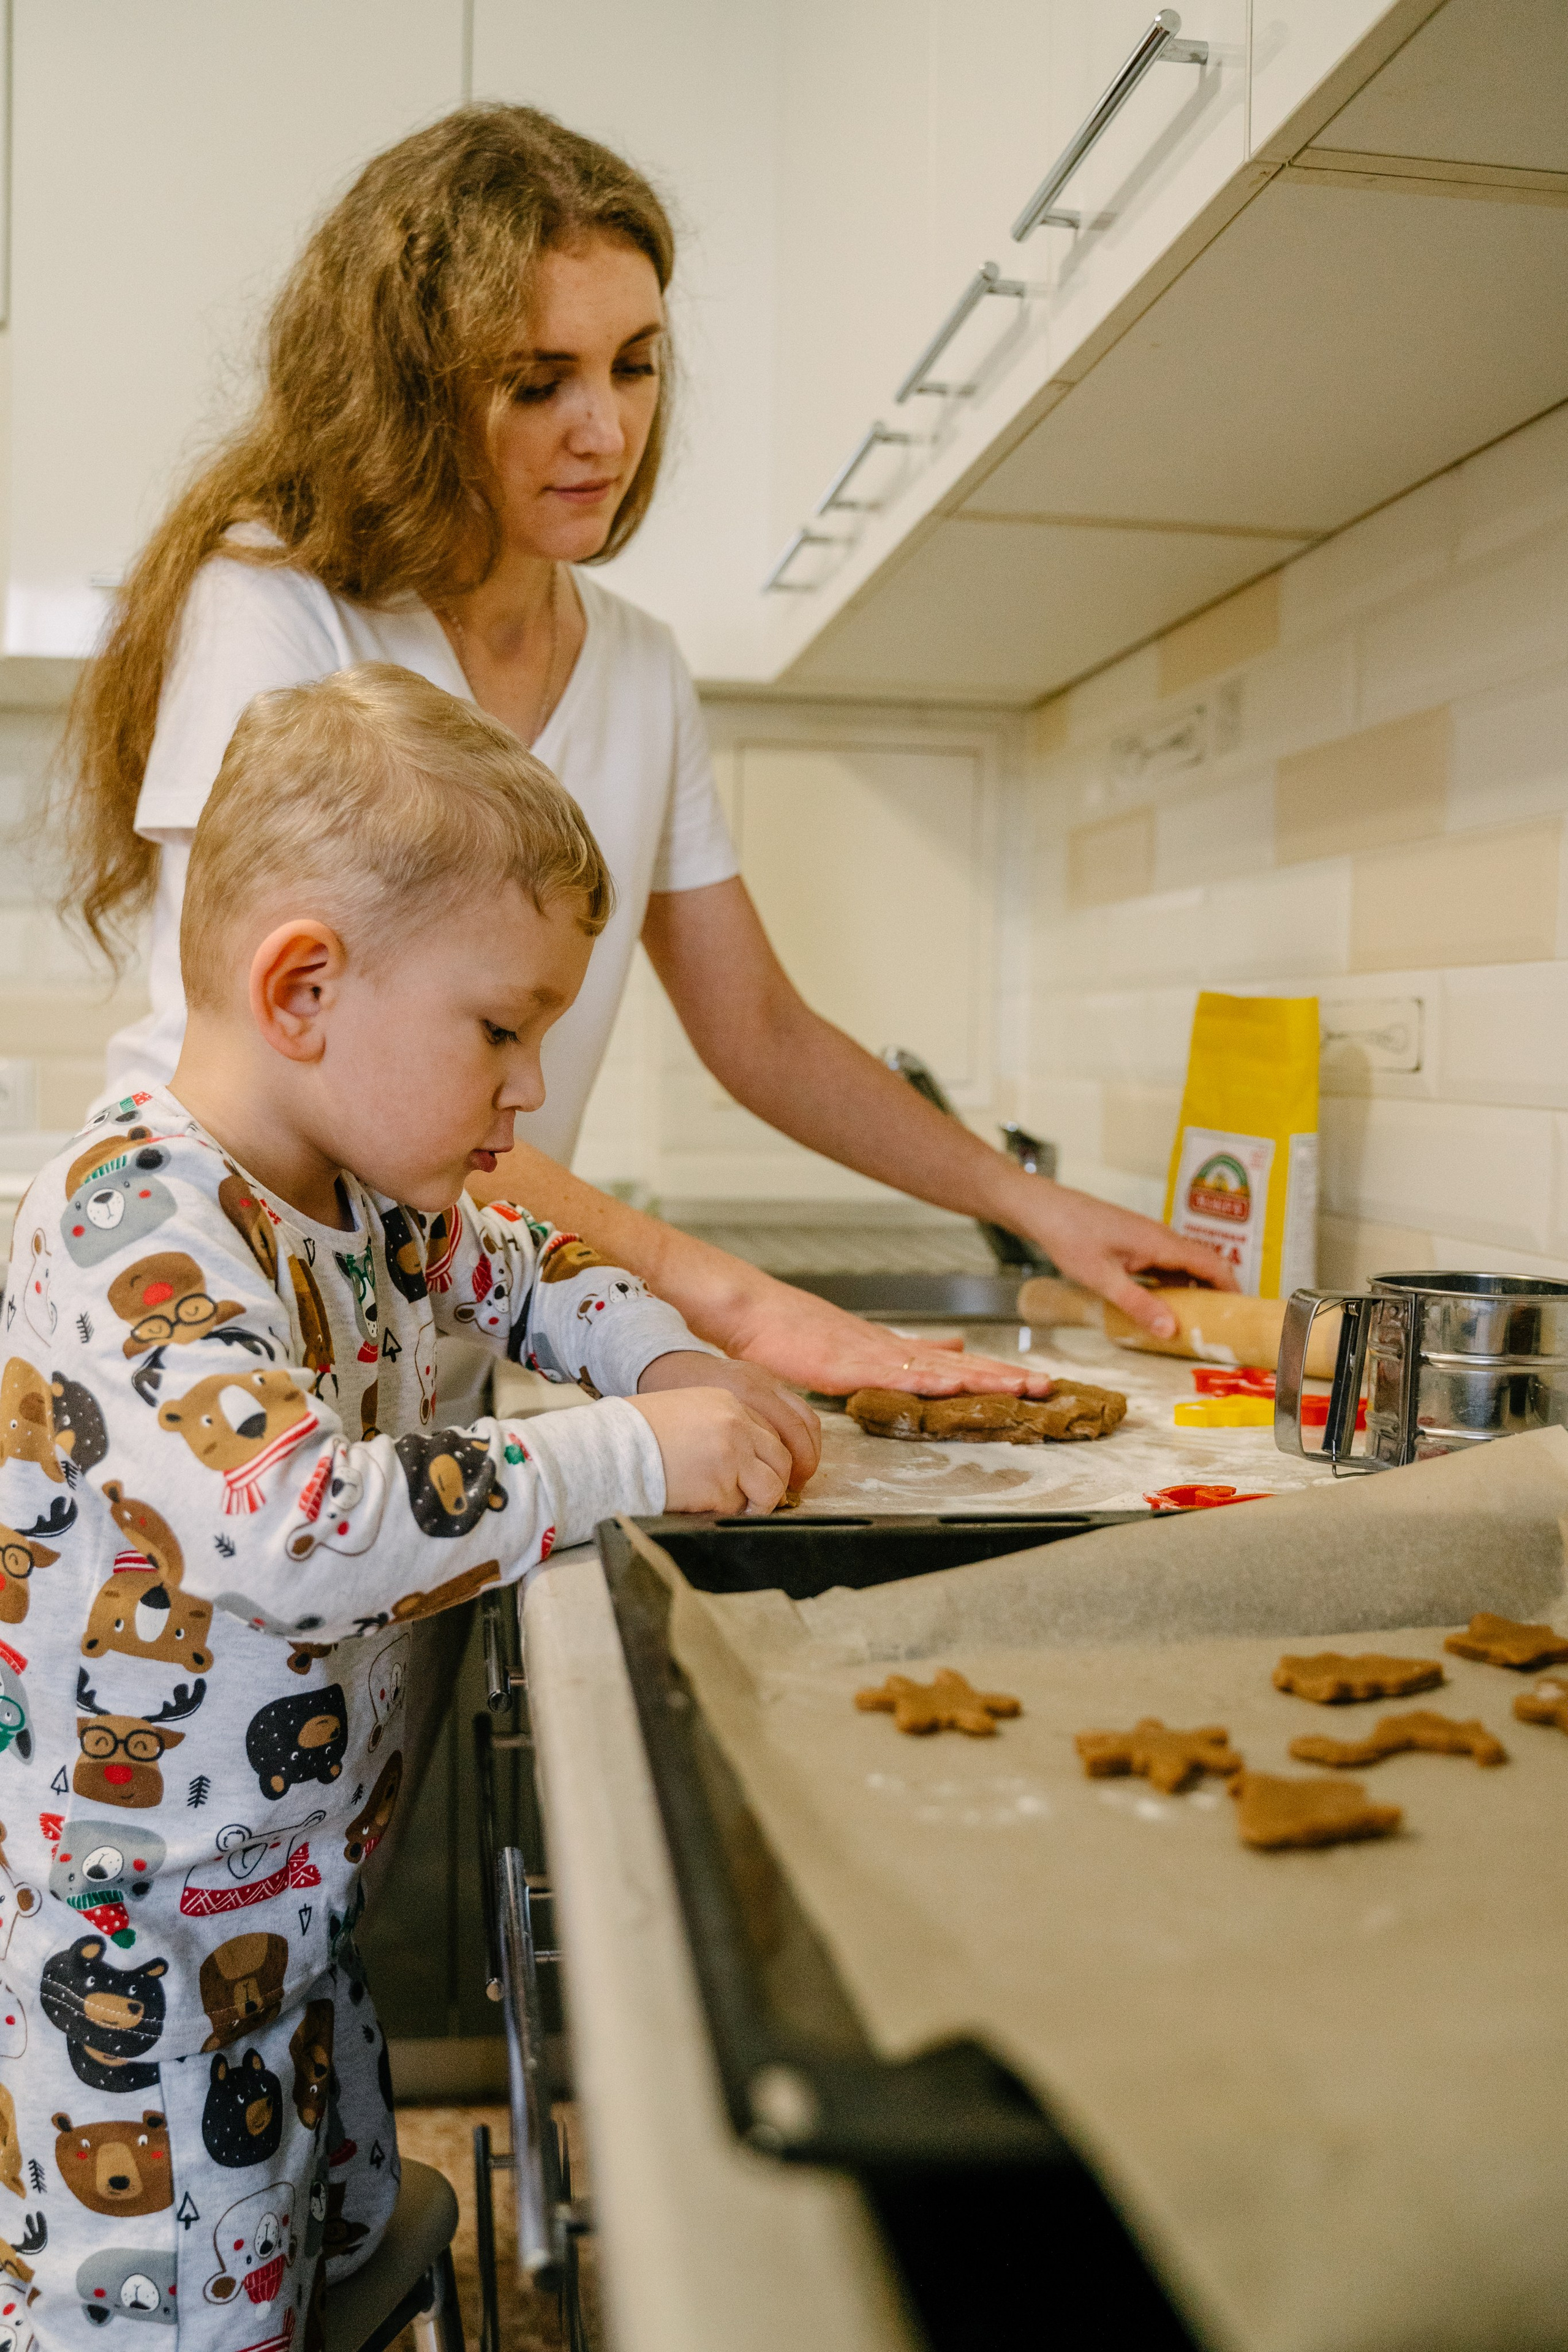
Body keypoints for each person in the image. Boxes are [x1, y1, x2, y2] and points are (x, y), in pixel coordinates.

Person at [58, 102, 1229, 1429]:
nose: (604, 432)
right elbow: (305, 1070)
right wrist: (725, 1300)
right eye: (537, 378)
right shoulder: (277, 609)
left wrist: (1026, 1204)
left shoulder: (638, 668)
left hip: (425, 1343)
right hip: (213, 1317)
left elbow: (760, 1033)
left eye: (633, 365)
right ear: (410, 388)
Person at [0, 666, 812, 2332]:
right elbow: (292, 1527)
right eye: (502, 1029)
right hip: (131, 1980)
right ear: (303, 987)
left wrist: (668, 1366)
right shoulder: (129, 1221)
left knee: (330, 2268)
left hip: (298, 1923)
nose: (529, 1090)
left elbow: (534, 1278)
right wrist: (636, 1457)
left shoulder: (363, 1197)